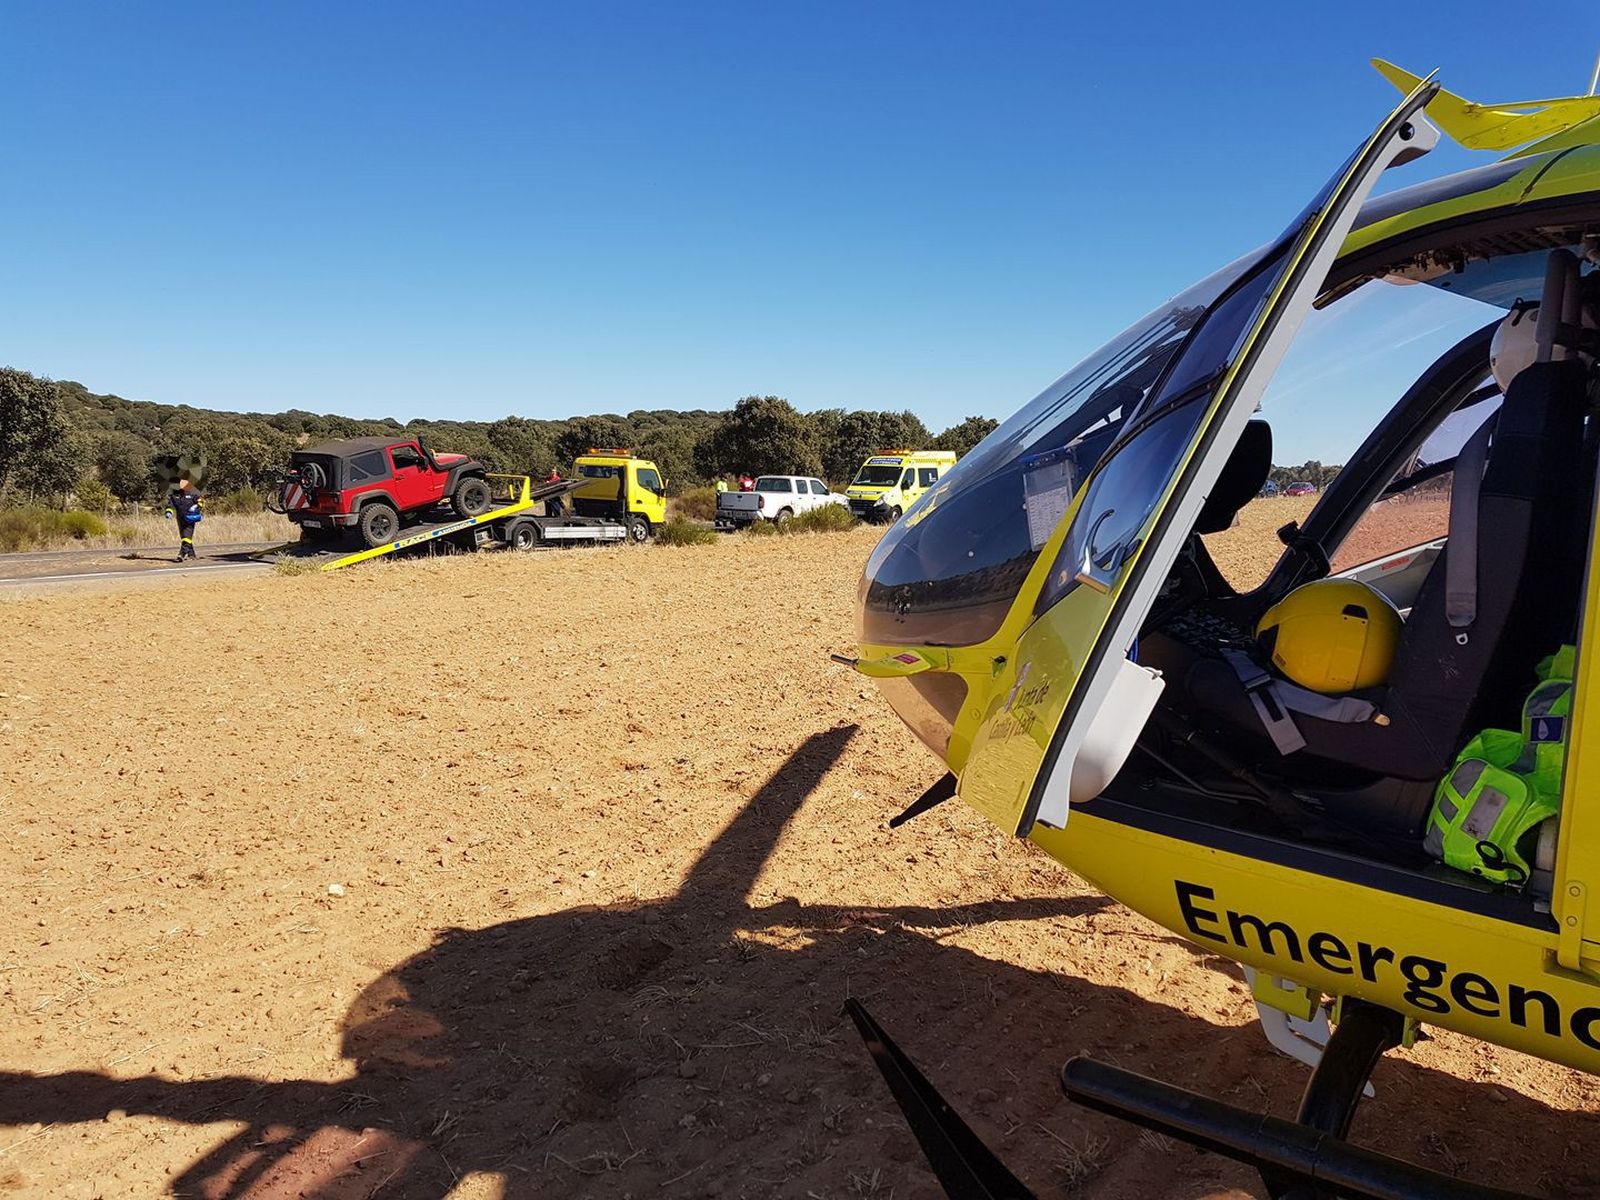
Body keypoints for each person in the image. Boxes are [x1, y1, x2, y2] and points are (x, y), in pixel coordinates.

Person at [164, 476, 203, 561]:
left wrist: (196, 506)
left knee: (187, 536)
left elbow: (200, 502)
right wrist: (169, 512)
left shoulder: (193, 493)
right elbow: (170, 505)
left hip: (190, 518)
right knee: (184, 537)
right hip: (180, 518)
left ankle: (181, 554)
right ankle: (191, 555)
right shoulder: (175, 495)